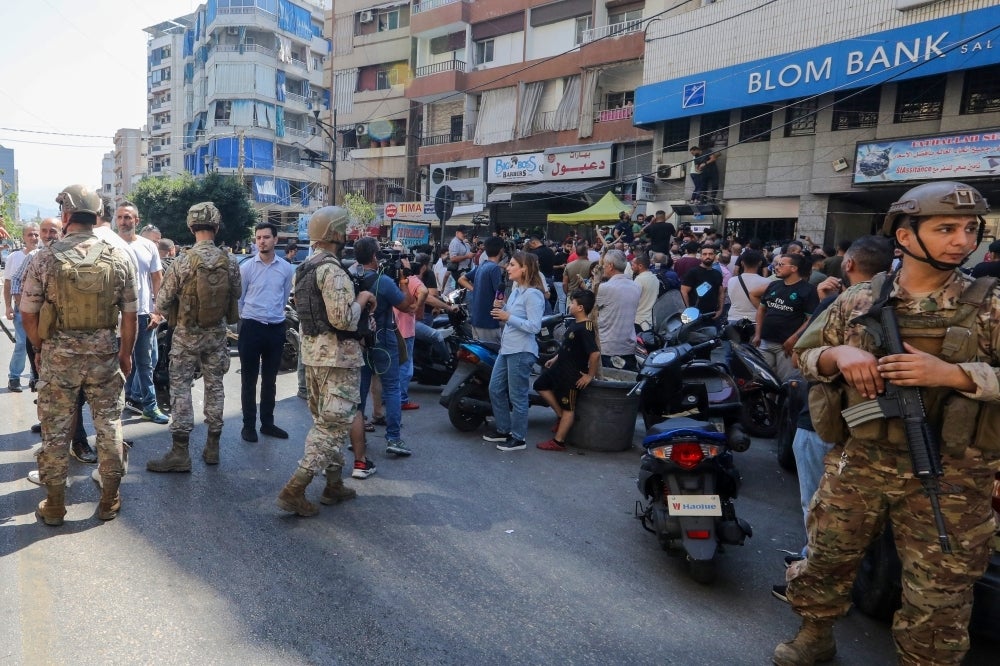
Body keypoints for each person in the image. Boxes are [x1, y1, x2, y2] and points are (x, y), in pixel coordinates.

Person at [776, 181, 1000, 666]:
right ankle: (815, 633)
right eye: (946, 228)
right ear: (904, 235)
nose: (962, 241)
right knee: (828, 556)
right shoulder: (858, 300)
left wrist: (954, 375)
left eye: (970, 229)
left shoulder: (990, 304)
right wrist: (838, 354)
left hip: (954, 475)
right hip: (861, 461)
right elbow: (804, 356)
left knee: (940, 587)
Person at [770, 235, 892, 601]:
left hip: (827, 421)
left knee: (819, 506)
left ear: (849, 265)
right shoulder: (895, 302)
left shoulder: (841, 302)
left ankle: (813, 574)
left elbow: (798, 355)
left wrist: (826, 302)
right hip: (872, 428)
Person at [20, 184, 137, 525]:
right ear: (97, 216)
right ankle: (109, 500)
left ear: (66, 216)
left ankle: (55, 506)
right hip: (104, 357)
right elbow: (130, 315)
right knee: (110, 426)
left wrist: (42, 349)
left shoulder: (45, 257)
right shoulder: (119, 256)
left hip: (59, 356)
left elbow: (27, 313)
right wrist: (125, 355)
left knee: (55, 430)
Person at [276, 207, 377, 516]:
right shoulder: (332, 270)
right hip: (338, 359)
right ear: (336, 234)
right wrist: (362, 299)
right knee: (332, 427)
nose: (347, 236)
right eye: (344, 230)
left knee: (328, 419)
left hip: (314, 357)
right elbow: (344, 319)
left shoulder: (305, 267)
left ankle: (333, 484)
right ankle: (295, 488)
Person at [146, 202, 241, 472]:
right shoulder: (230, 260)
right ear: (217, 226)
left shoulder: (182, 261)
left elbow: (162, 301)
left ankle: (180, 453)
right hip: (216, 335)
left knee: (180, 390)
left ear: (190, 226)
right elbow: (238, 293)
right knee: (215, 387)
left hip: (186, 335)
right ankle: (213, 446)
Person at [351, 237, 414, 457]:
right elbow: (406, 306)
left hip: (360, 341)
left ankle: (356, 437)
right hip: (384, 340)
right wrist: (404, 283)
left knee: (360, 390)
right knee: (392, 388)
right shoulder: (384, 281)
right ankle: (394, 438)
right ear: (374, 256)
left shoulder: (352, 277)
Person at [482, 251, 546, 451]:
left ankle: (518, 437)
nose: (507, 268)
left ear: (524, 268)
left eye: (511, 264)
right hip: (507, 348)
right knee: (495, 388)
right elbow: (509, 317)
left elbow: (534, 326)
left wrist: (507, 316)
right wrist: (502, 309)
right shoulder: (517, 290)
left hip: (521, 351)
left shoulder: (533, 295)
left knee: (517, 395)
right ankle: (503, 428)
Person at [238, 222, 295, 442]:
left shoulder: (285, 268)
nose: (261, 241)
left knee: (270, 379)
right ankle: (248, 425)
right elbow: (240, 300)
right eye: (258, 238)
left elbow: (284, 297)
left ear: (275, 240)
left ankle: (268, 423)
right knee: (249, 379)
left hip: (276, 328)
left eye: (266, 237)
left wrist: (273, 316)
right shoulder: (247, 268)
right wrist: (251, 318)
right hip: (251, 326)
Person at [117, 202, 168, 424]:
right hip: (114, 316)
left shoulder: (148, 246)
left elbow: (157, 278)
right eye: (119, 217)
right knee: (113, 363)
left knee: (145, 363)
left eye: (128, 217)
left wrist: (158, 311)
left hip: (142, 314)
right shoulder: (108, 244)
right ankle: (113, 409)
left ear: (136, 220)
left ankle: (150, 406)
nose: (123, 221)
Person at [534, 290, 600, 452]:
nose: (570, 305)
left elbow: (595, 353)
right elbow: (567, 346)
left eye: (573, 303)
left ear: (580, 308)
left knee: (569, 408)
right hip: (559, 368)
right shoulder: (574, 323)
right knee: (540, 385)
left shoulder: (586, 328)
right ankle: (560, 416)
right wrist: (555, 358)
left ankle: (559, 441)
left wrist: (590, 376)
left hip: (572, 374)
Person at [753, 252, 818, 382]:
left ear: (794, 268)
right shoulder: (773, 285)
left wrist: (794, 338)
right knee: (763, 381)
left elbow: (811, 319)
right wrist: (757, 334)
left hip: (786, 347)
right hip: (765, 342)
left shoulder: (808, 290)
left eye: (781, 264)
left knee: (786, 382)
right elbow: (761, 309)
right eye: (776, 264)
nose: (776, 267)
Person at [4, 222, 40, 392]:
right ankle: (14, 377)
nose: (34, 238)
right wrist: (9, 307)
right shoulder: (15, 257)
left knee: (37, 345)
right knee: (21, 344)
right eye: (30, 235)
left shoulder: (41, 255)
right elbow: (9, 283)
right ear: (24, 237)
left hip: (39, 312)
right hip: (21, 309)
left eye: (36, 235)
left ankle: (35, 377)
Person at [596, 249, 641, 371]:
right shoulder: (636, 286)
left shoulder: (605, 288)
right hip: (628, 345)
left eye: (604, 265)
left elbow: (589, 307)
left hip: (608, 346)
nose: (603, 268)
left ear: (610, 266)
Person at [458, 236, 505, 344]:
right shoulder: (494, 268)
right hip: (488, 321)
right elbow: (500, 295)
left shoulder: (482, 265)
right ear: (501, 250)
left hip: (477, 319)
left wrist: (476, 290)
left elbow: (462, 279)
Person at [396, 257, 427, 410]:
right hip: (406, 330)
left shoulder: (387, 276)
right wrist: (417, 305)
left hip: (390, 328)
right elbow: (425, 291)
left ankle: (388, 396)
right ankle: (401, 399)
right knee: (405, 367)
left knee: (391, 366)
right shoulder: (411, 279)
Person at [680, 245, 725, 323]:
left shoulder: (717, 274)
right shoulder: (692, 272)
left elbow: (721, 293)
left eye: (710, 254)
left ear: (714, 256)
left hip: (712, 315)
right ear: (700, 256)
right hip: (694, 316)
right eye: (704, 254)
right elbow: (684, 292)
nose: (708, 256)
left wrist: (720, 310)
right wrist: (688, 311)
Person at [631, 252, 660, 332]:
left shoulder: (639, 280)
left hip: (639, 321)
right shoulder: (655, 278)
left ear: (640, 266)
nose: (631, 267)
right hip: (651, 320)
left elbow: (632, 300)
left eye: (633, 265)